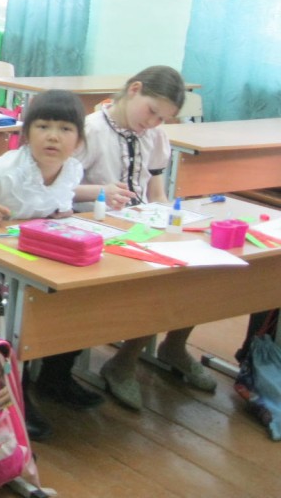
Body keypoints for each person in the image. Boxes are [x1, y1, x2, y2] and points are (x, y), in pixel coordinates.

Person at [0, 90, 102, 440]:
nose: (53, 137)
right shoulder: (2, 172)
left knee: (79, 293)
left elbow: (56, 205)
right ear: (26, 133)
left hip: (27, 256)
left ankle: (55, 378)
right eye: (43, 126)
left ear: (79, 139)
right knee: (31, 299)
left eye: (65, 129)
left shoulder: (71, 170)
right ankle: (14, 392)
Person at [74, 65, 216, 410]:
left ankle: (174, 345)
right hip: (93, 227)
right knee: (155, 278)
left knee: (198, 266)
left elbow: (156, 192)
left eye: (162, 119)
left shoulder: (154, 135)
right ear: (134, 89)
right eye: (151, 111)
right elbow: (60, 188)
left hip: (137, 225)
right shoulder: (91, 130)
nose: (152, 123)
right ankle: (124, 361)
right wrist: (102, 191)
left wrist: (171, 220)